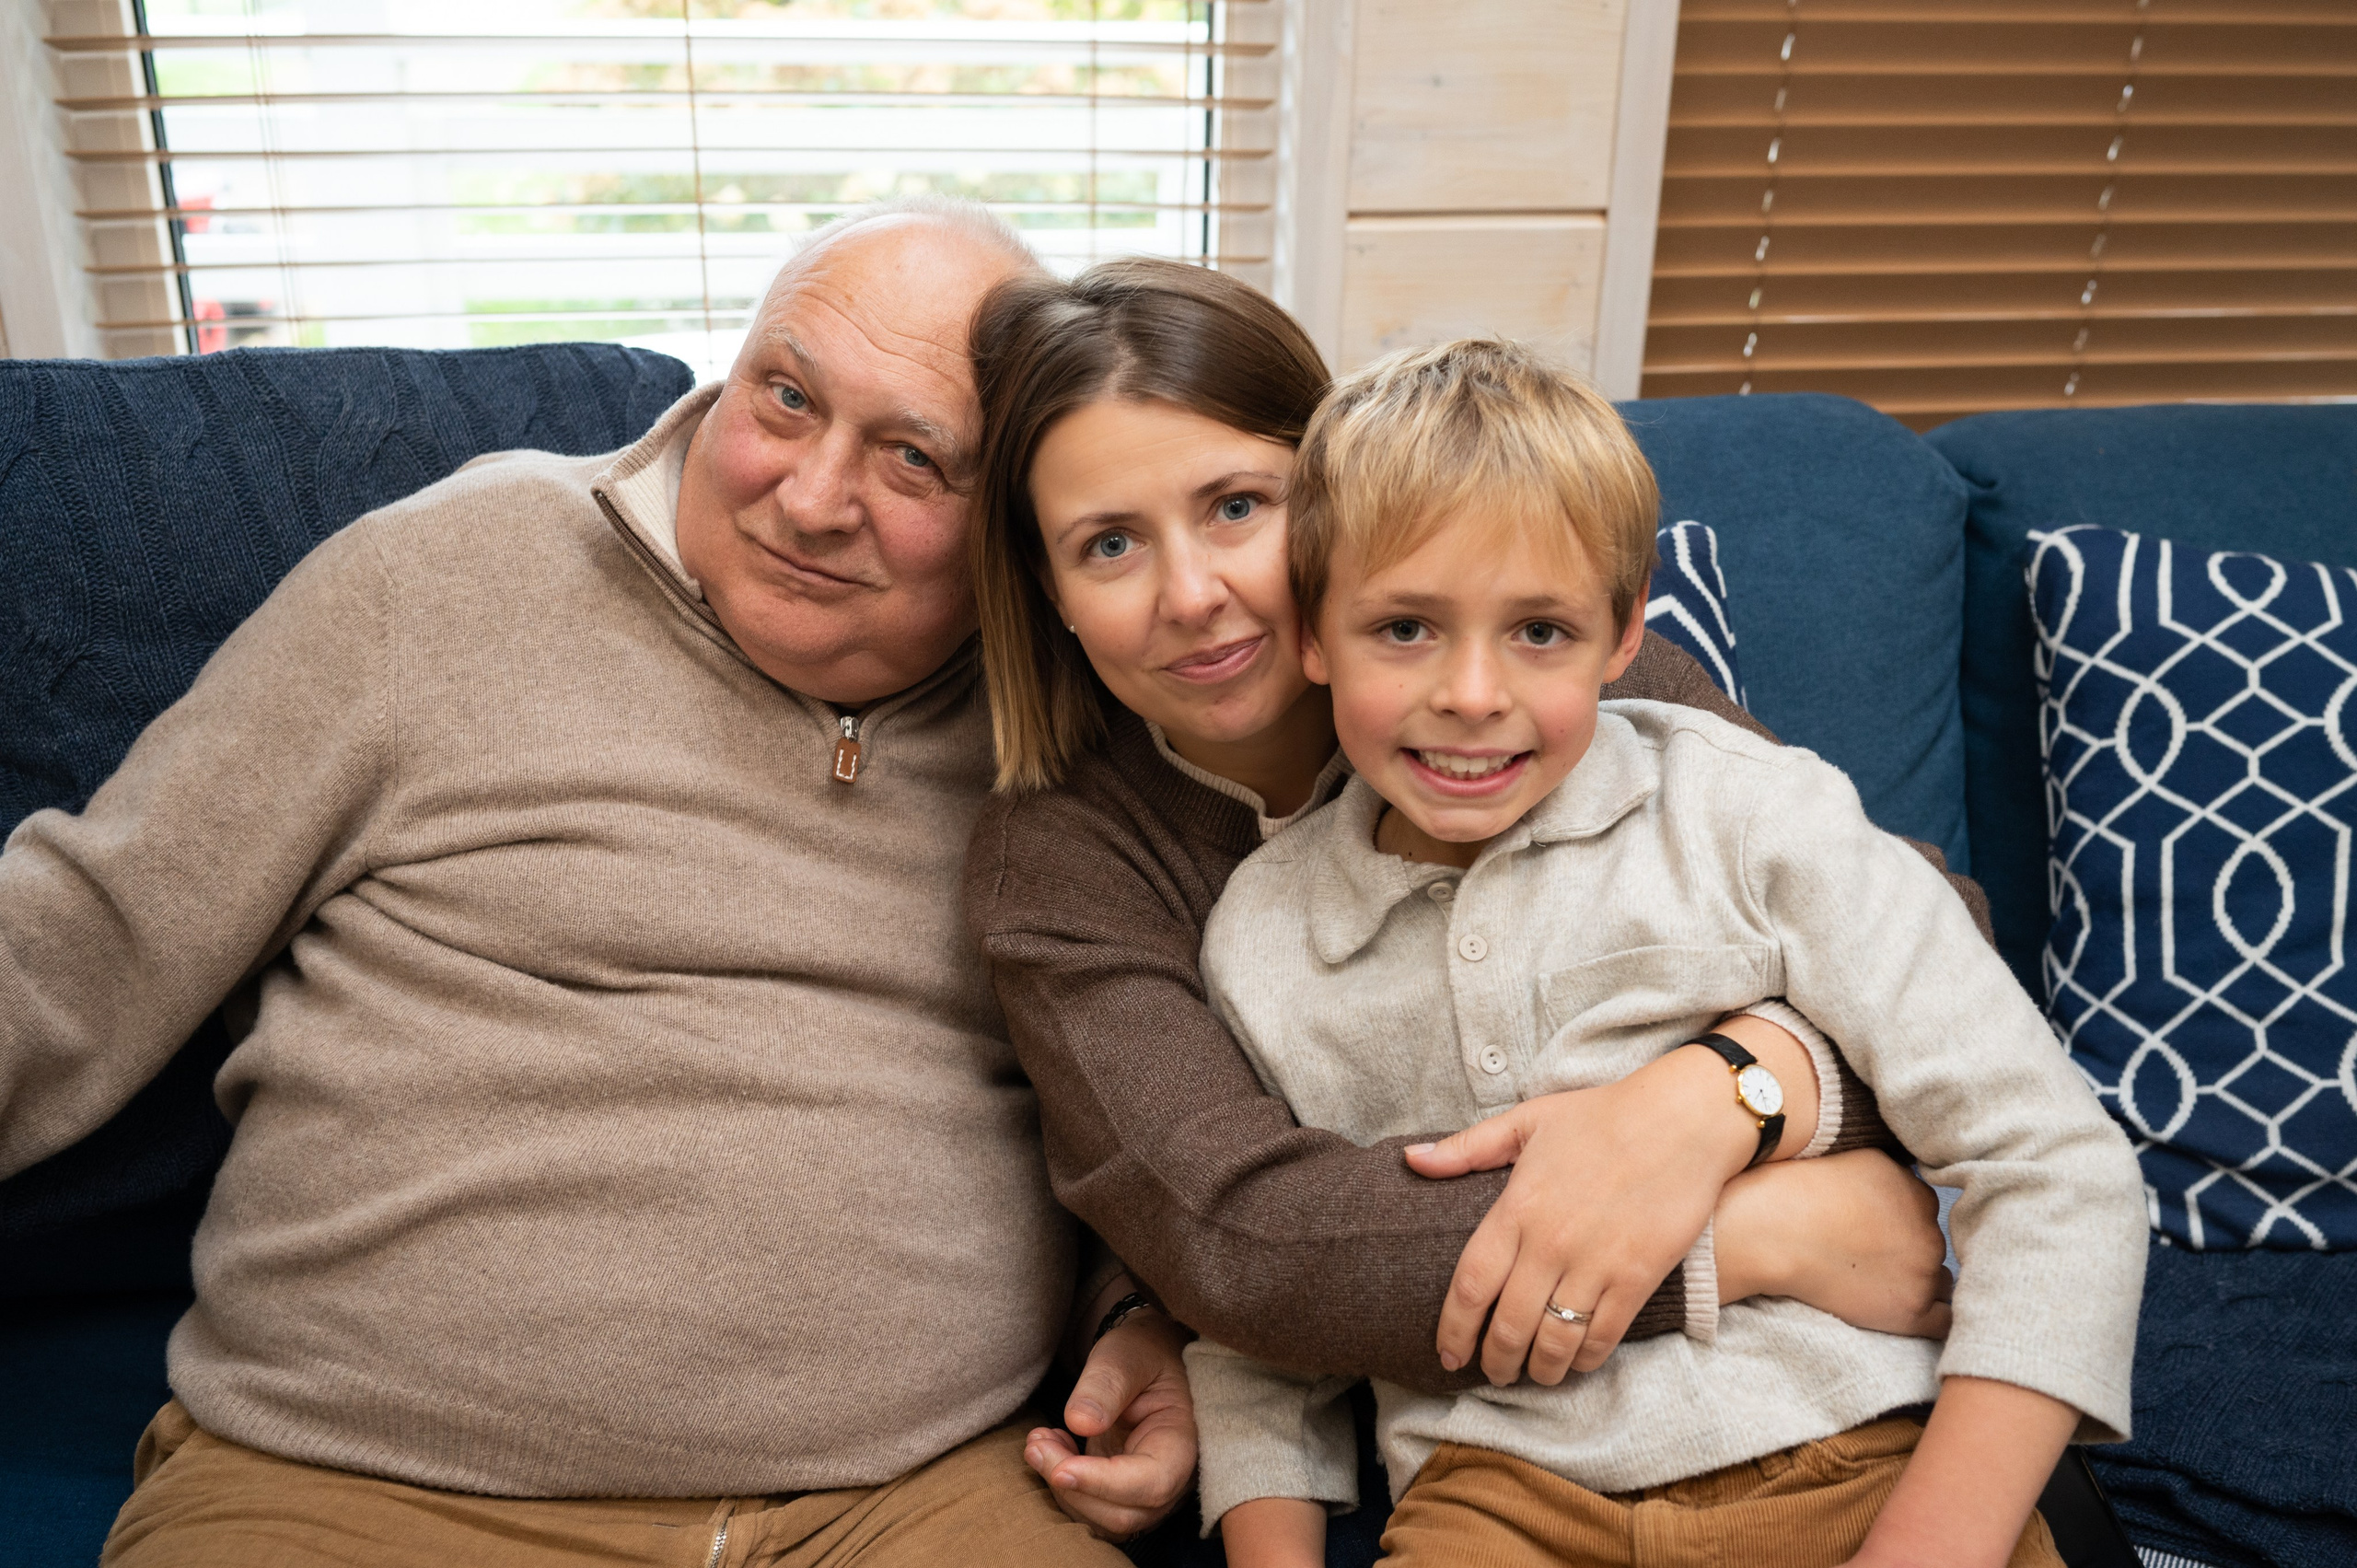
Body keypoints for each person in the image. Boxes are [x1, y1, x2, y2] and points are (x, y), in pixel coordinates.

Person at [0, 199, 1190, 1566]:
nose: (811, 500)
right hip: (359, 1484)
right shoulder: (442, 577)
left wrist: (1131, 1316)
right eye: (786, 398)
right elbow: (78, 942)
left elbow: (1141, 1095)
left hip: (905, 1503)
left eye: (914, 459)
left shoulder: (1066, 708)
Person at [960, 255, 1969, 1521]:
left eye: (1237, 506)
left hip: (1790, 1410)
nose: (1193, 595)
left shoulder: (1531, 663)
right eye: (1108, 544)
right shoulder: (1059, 858)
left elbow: (1931, 939)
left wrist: (1731, 1096)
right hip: (1484, 1464)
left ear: (1333, 494)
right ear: (1046, 592)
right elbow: (1241, 1240)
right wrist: (1754, 1239)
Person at [1186, 339, 2148, 1568]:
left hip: (1853, 1447)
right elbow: (1264, 1326)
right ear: (1313, 630)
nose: (1473, 693)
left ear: (1625, 630)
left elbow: (2056, 1166)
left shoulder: (1757, 813)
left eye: (1540, 630)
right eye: (1405, 627)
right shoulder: (1262, 940)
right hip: (1494, 1498)